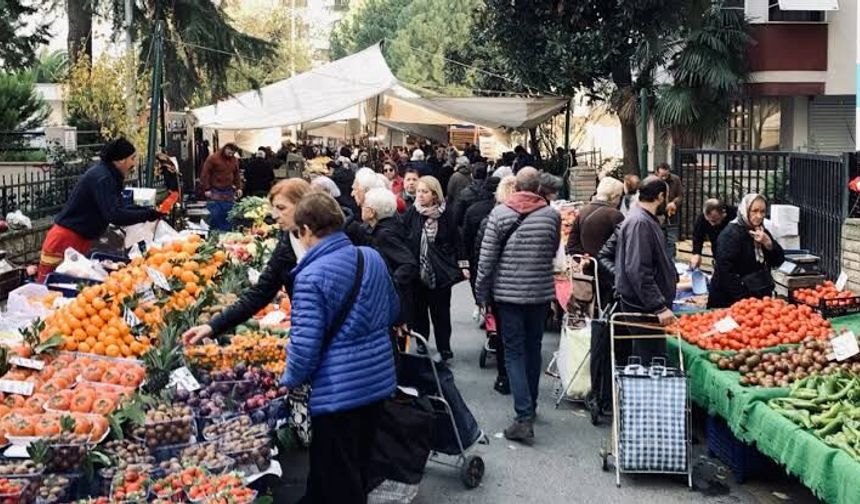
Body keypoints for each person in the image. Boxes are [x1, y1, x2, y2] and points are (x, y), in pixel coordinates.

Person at [284, 192, 399, 504]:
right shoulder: (370, 257)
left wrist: (287, 381)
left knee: (338, 478)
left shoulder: (310, 276)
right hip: (377, 381)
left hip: (338, 392)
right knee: (358, 466)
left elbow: (304, 349)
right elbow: (391, 309)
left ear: (306, 229)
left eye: (298, 233)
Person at [475, 167, 561, 442]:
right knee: (533, 348)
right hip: (538, 294)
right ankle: (531, 406)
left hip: (507, 295)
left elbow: (486, 260)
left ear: (514, 187)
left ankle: (523, 416)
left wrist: (482, 295)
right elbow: (552, 249)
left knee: (513, 352)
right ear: (538, 188)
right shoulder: (551, 216)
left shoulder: (499, 214)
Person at [182, 179, 314, 342]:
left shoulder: (339, 238)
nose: (274, 216)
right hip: (309, 333)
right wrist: (213, 326)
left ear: (303, 205)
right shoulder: (287, 245)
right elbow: (260, 293)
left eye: (281, 208)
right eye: (274, 209)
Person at [38, 138, 163, 281]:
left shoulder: (108, 175)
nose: (134, 163)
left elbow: (119, 206)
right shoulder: (103, 178)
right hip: (65, 239)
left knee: (74, 286)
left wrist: (147, 212)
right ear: (121, 160)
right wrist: (146, 214)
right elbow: (114, 214)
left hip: (79, 238)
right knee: (51, 287)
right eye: (132, 158)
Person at [614, 176, 678, 363]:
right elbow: (638, 270)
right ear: (660, 196)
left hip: (642, 304)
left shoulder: (642, 219)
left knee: (649, 357)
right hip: (642, 306)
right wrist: (658, 306)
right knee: (652, 360)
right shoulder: (640, 222)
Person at [402, 176, 464, 361]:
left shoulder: (447, 214)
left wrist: (462, 264)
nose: (420, 195)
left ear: (435, 194)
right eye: (419, 191)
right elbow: (405, 238)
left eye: (424, 191)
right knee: (419, 311)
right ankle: (422, 344)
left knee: (441, 313)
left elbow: (456, 240)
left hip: (440, 273)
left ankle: (444, 348)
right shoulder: (412, 213)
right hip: (417, 271)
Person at [472, 175, 516, 395]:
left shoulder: (491, 219)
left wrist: (481, 293)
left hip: (500, 288)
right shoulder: (544, 216)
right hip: (531, 291)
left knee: (501, 333)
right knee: (523, 338)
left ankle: (504, 375)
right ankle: (521, 379)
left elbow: (483, 257)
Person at [708, 194, 785, 309]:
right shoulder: (730, 234)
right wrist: (745, 301)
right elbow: (725, 271)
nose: (759, 216)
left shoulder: (761, 231)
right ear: (745, 210)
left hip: (755, 297)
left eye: (762, 211)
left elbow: (778, 261)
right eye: (754, 211)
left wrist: (768, 244)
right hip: (729, 301)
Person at [363, 188, 419, 328]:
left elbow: (408, 263)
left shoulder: (384, 235)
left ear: (371, 212)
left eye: (364, 205)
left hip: (396, 299)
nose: (361, 208)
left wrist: (390, 283)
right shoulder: (392, 225)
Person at [567, 177, 625, 258]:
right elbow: (624, 245)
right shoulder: (616, 215)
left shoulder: (583, 211)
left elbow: (572, 244)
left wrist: (582, 260)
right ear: (614, 196)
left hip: (588, 266)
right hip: (609, 267)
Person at [201, 142, 243, 231]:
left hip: (228, 190)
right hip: (215, 189)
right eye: (230, 152)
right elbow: (205, 173)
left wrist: (239, 187)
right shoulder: (213, 158)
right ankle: (215, 233)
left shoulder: (234, 160)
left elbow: (236, 174)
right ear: (225, 148)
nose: (231, 154)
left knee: (229, 213)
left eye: (233, 153)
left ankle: (228, 233)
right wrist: (207, 188)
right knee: (216, 214)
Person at [690, 198, 738, 270]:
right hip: (718, 255)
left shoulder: (735, 214)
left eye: (714, 221)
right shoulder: (703, 218)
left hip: (736, 255)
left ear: (723, 214)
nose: (711, 224)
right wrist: (697, 253)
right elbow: (697, 236)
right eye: (708, 221)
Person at [655, 162, 683, 260]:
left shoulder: (675, 179)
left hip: (672, 215)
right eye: (662, 176)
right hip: (658, 215)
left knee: (671, 240)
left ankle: (671, 261)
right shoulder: (653, 181)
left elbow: (680, 196)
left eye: (666, 175)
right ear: (657, 173)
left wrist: (674, 203)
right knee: (659, 239)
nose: (664, 178)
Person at [452, 163, 490, 229]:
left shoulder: (464, 193)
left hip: (467, 226)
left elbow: (457, 214)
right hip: (485, 227)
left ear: (472, 175)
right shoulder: (490, 192)